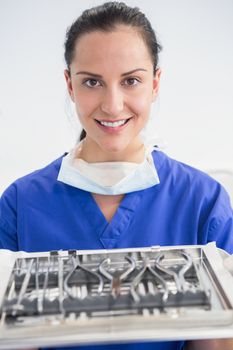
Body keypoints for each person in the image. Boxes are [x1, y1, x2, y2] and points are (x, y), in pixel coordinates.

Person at [0, 2, 233, 350]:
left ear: (155, 84)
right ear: (69, 84)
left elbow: (217, 340)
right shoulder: (21, 204)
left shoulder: (203, 202)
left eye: (131, 81)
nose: (112, 104)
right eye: (92, 81)